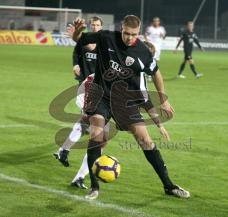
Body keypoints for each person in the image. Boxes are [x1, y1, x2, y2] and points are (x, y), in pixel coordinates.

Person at [72, 15, 190, 200]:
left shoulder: (143, 51)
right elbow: (79, 40)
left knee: (145, 139)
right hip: (101, 96)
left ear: (139, 32)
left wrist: (163, 99)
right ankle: (94, 187)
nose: (129, 37)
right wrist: (78, 30)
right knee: (97, 130)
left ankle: (168, 185)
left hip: (125, 101)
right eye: (126, 33)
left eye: (134, 34)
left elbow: (156, 73)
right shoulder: (106, 37)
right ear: (122, 28)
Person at [54, 16, 106, 189]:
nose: (96, 27)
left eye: (98, 25)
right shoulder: (86, 41)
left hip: (100, 91)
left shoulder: (103, 43)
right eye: (94, 25)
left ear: (102, 27)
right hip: (87, 86)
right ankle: (80, 175)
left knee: (86, 123)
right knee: (99, 135)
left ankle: (64, 151)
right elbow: (76, 52)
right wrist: (76, 64)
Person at [145, 17, 166, 81]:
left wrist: (162, 35)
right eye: (155, 21)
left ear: (159, 22)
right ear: (153, 22)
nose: (156, 22)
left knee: (156, 60)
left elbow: (164, 36)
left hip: (158, 47)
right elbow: (145, 34)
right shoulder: (150, 28)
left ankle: (152, 73)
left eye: (157, 21)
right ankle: (149, 74)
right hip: (152, 46)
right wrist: (147, 42)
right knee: (151, 60)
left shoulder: (161, 29)